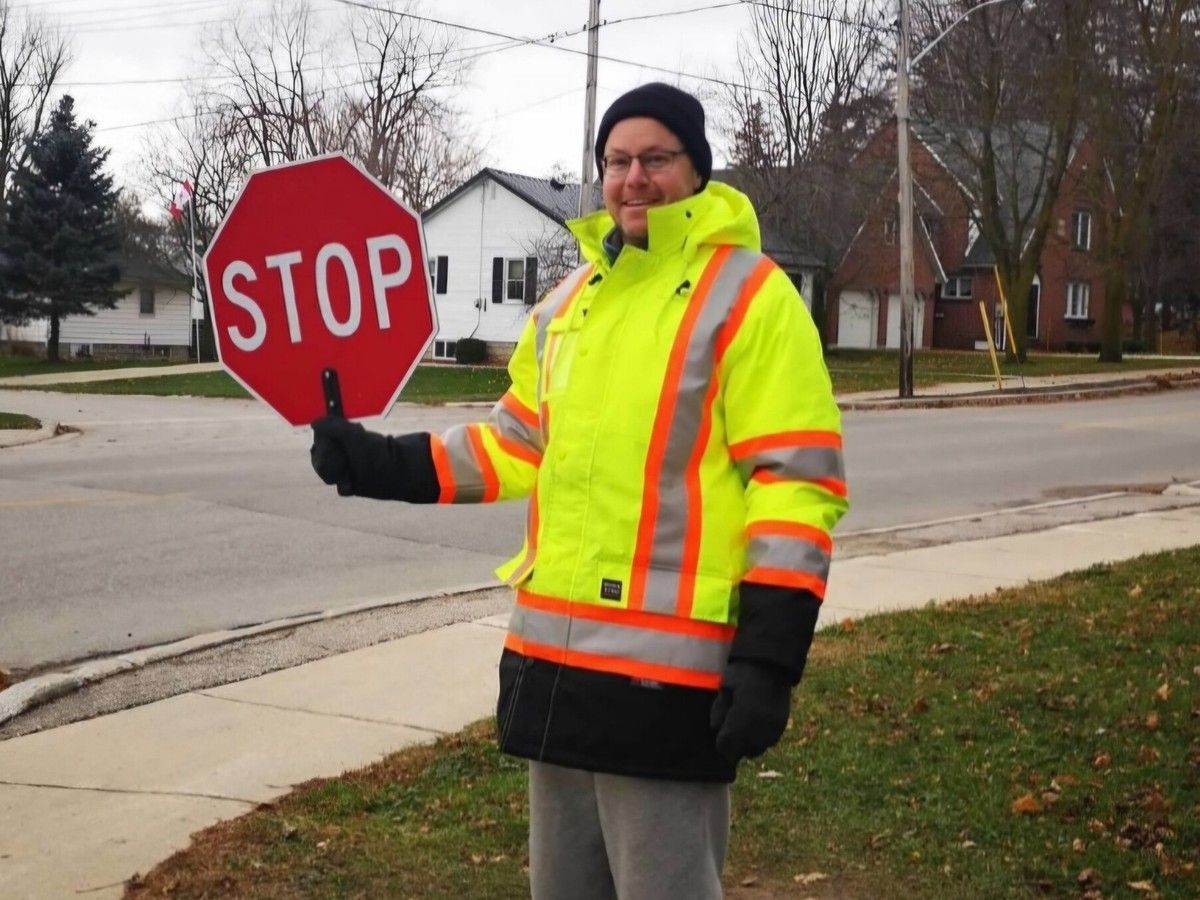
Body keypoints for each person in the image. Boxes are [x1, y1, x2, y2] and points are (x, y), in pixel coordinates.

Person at [310, 82, 848, 900]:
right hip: (556, 671)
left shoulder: (751, 296)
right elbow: (511, 446)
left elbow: (795, 485)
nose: (635, 178)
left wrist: (770, 659)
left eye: (656, 159)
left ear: (696, 170)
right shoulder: (568, 305)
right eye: (618, 160)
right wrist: (375, 463)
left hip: (672, 686)